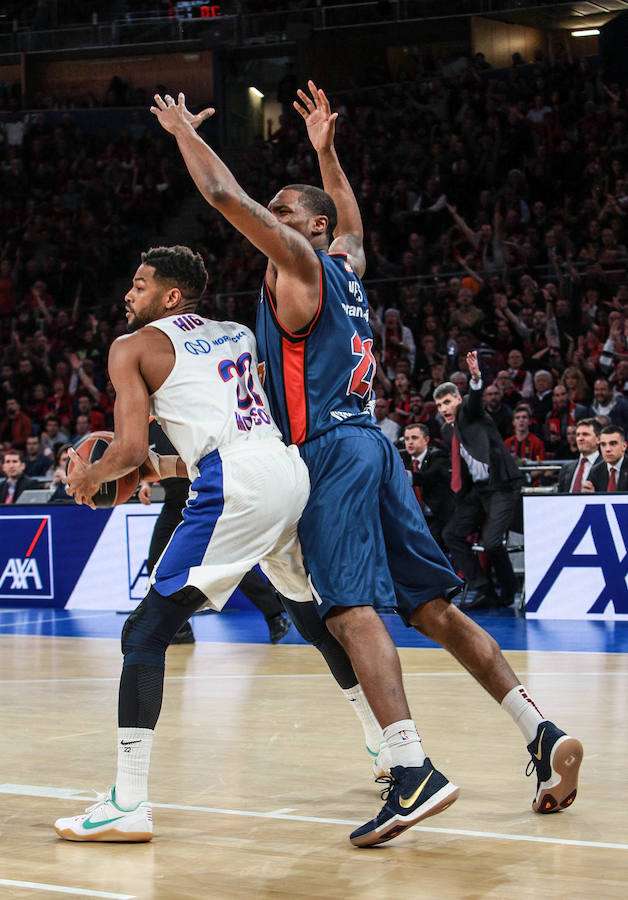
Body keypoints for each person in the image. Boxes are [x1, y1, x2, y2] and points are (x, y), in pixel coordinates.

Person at [152, 85, 582, 847]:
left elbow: (221, 193)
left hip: (329, 452)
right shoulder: (345, 263)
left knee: (349, 612)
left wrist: (185, 131)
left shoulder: (301, 261)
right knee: (434, 610)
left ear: (307, 229)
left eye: (285, 211)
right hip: (374, 443)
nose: (272, 220)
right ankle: (541, 734)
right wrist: (324, 150)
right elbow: (352, 219)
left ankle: (412, 769)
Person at [54, 245, 315, 842]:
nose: (129, 294)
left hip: (237, 485)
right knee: (314, 616)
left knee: (144, 632)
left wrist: (87, 478)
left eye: (140, 285)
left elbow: (122, 451)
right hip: (284, 470)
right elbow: (223, 434)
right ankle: (396, 755)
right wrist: (154, 471)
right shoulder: (237, 333)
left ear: (170, 297)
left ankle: (128, 802)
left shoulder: (131, 347)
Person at [138, 418, 293, 645]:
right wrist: (145, 484)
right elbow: (145, 462)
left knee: (226, 562)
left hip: (201, 500)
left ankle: (275, 616)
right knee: (156, 562)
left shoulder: (173, 416)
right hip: (173, 504)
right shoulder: (143, 427)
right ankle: (179, 629)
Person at [438, 352, 523, 612]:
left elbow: (475, 400)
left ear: (458, 400)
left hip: (502, 485)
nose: (444, 409)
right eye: (439, 405)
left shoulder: (469, 413)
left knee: (492, 542)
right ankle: (481, 586)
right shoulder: (444, 429)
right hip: (479, 490)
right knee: (451, 533)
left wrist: (475, 377)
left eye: (448, 402)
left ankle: (509, 593)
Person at [400, 422, 453, 549]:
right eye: (407, 439)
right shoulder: (401, 457)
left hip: (436, 516)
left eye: (414, 438)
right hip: (411, 517)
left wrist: (403, 474)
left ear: (426, 440)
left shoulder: (438, 456)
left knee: (429, 544)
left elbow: (427, 477)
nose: (409, 442)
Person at [557, 418, 601, 492]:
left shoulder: (607, 467)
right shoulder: (566, 468)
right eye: (578, 435)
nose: (580, 439)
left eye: (585, 434)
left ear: (598, 439)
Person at [583, 425, 628, 492]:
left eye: (613, 444)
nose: (607, 449)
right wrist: (590, 496)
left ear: (624, 446)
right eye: (603, 444)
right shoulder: (595, 471)